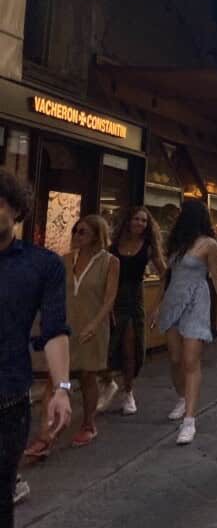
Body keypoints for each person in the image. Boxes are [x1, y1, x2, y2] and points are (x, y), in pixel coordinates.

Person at [0, 170, 72, 527]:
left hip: (8, 400)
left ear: (16, 209)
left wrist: (62, 389)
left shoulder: (42, 265)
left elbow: (55, 331)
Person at [25, 216, 119, 455]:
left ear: (96, 235)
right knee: (57, 380)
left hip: (91, 328)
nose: (77, 236)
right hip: (65, 327)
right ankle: (45, 435)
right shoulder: (65, 261)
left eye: (83, 232)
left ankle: (88, 423)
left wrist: (95, 324)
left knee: (87, 376)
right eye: (76, 231)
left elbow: (109, 298)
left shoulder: (109, 262)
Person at [153, 198, 217, 445]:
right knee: (175, 359)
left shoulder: (209, 244)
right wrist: (157, 305)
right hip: (174, 300)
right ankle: (182, 397)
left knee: (190, 360)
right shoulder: (177, 244)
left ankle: (189, 420)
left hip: (197, 301)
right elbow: (168, 276)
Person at [97, 207, 166, 417]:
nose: (140, 224)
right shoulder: (113, 247)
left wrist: (157, 305)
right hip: (112, 298)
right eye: (136, 219)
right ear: (128, 221)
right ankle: (108, 382)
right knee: (104, 347)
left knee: (129, 348)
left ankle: (128, 392)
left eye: (144, 221)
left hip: (134, 299)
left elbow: (164, 273)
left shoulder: (147, 247)